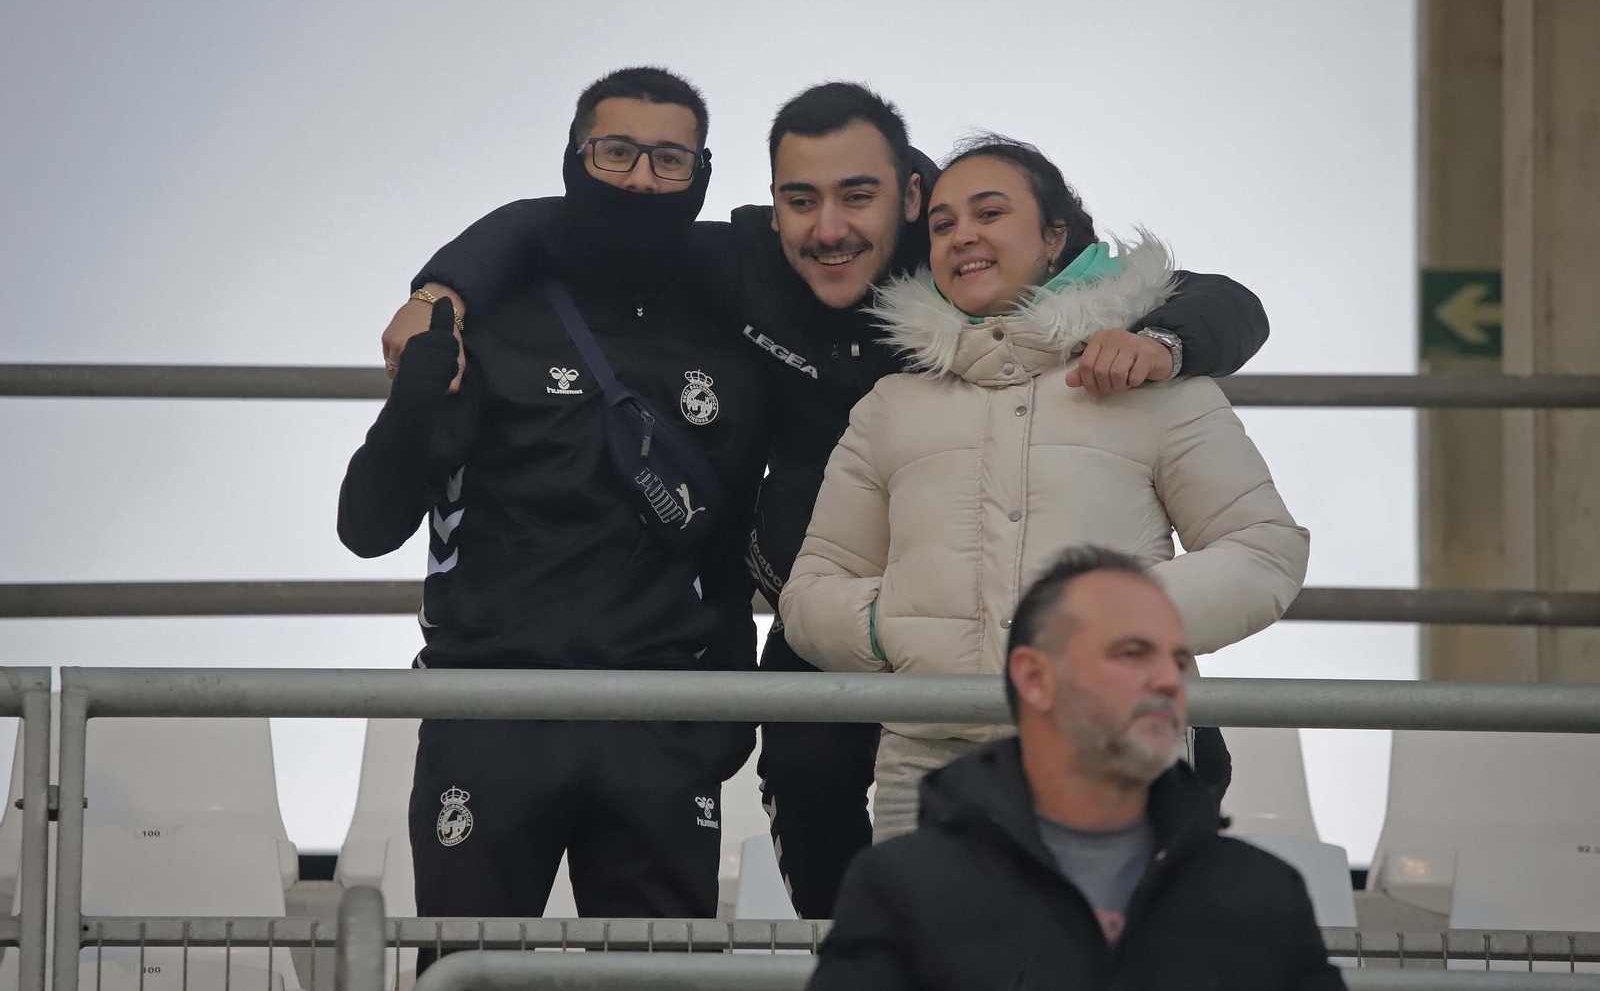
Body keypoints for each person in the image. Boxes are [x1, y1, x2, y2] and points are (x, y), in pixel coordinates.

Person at [379, 84, 1273, 917]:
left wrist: (1160, 342)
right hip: (850, 601)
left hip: (1024, 591)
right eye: (799, 200)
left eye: (859, 196)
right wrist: (437, 292)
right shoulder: (750, 263)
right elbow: (552, 225)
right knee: (807, 760)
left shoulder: (968, 266)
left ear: (910, 195)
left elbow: (1219, 300)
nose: (830, 228)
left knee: (1173, 778)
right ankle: (854, 947)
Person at [336, 67, 769, 942]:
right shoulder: (489, 320)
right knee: (470, 972)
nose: (641, 179)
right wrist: (418, 394)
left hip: (658, 721)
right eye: (616, 152)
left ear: (703, 174)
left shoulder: (731, 333)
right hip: (493, 711)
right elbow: (367, 527)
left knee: (658, 981)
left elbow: (726, 554)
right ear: (574, 159)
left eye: (669, 159)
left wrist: (729, 707)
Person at [779, 135, 1308, 841]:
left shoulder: (1155, 381)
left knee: (1106, 955)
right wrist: (885, 628)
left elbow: (1265, 550)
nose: (963, 234)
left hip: (1119, 756)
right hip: (928, 771)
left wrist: (1125, 626)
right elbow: (812, 588)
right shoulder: (890, 405)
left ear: (1055, 235)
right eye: (941, 225)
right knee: (934, 955)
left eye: (990, 212)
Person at [807, 546, 1343, 991]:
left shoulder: (1262, 895)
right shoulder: (903, 891)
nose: (1166, 680)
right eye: (1132, 652)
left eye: (1178, 660)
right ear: (1035, 678)